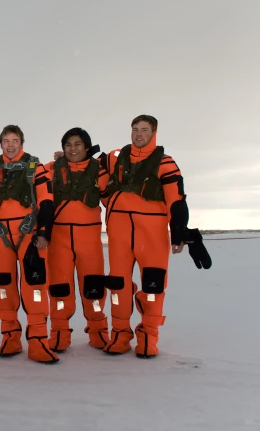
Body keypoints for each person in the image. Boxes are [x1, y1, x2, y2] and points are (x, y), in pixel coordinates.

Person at [102, 115, 212, 358]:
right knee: (117, 286)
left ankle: (148, 336)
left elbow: (177, 200)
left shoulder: (165, 162)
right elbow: (88, 171)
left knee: (153, 286)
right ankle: (119, 335)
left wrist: (181, 233)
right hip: (119, 237)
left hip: (151, 237)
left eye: (144, 130)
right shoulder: (114, 158)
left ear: (154, 133)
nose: (138, 134)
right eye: (135, 129)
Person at [0, 125, 59, 364]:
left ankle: (38, 341)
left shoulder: (36, 167)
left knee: (35, 285)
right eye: (6, 141)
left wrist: (44, 232)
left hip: (29, 234)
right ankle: (10, 337)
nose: (10, 145)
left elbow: (46, 202)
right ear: (0, 144)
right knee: (4, 285)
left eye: (15, 140)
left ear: (22, 142)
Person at [46, 128, 109, 352]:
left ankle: (98, 332)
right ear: (63, 148)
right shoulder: (50, 169)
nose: (73, 149)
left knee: (94, 288)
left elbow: (114, 201)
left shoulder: (99, 171)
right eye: (68, 145)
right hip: (59, 240)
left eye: (78, 144)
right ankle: (59, 333)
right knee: (59, 288)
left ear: (86, 147)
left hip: (89, 240)